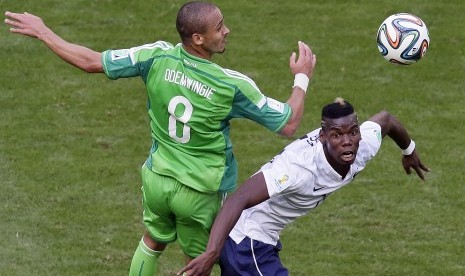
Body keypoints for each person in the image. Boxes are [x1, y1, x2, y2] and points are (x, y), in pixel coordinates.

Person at [5, 1, 317, 275]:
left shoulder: (154, 56)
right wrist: (301, 77)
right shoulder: (229, 85)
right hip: (200, 192)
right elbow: (288, 124)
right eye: (219, 27)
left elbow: (91, 61)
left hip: (157, 180)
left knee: (152, 240)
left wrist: (44, 31)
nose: (227, 31)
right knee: (199, 262)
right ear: (198, 38)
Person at [178, 97, 430, 276]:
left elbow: (386, 120)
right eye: (336, 135)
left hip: (257, 240)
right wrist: (212, 252)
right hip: (247, 240)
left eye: (352, 132)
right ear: (322, 136)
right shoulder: (298, 170)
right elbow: (239, 198)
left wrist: (409, 150)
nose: (347, 142)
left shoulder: (362, 145)